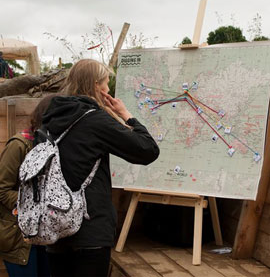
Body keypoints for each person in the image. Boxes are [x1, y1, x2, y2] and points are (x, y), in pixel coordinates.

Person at [42, 59, 160, 277]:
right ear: (97, 86)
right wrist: (126, 115)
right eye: (106, 83)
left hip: (55, 227)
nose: (108, 89)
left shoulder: (50, 117)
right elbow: (148, 150)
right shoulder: (95, 120)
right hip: (90, 231)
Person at [0, 95, 56, 277]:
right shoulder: (19, 145)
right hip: (19, 237)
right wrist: (29, 207)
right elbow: (2, 189)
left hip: (46, 234)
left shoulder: (55, 146)